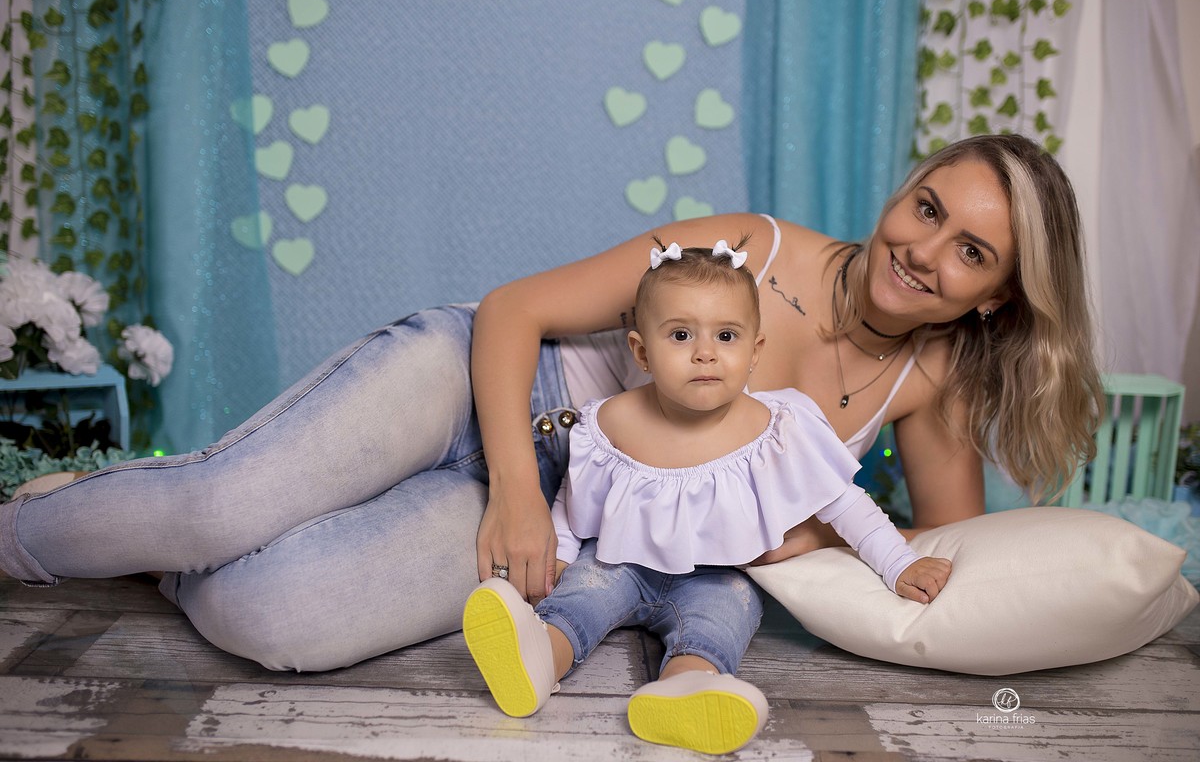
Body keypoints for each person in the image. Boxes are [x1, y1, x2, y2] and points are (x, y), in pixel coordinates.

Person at [0, 134, 1101, 673]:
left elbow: (942, 565)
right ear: (905, 186)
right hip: (486, 390)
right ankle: (42, 527)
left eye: (970, 252)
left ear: (999, 294)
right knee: (217, 507)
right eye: (927, 205)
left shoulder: (929, 386)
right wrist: (516, 491)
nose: (922, 250)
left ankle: (139, 534)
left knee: (272, 618)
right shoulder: (753, 247)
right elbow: (518, 308)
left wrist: (825, 531)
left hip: (570, 523)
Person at [462, 239, 952, 755]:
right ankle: (540, 654)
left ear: (755, 350)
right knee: (582, 594)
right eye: (679, 335)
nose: (705, 352)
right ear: (642, 352)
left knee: (725, 616)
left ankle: (685, 686)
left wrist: (900, 564)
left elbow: (847, 506)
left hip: (719, 577)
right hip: (618, 562)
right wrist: (555, 561)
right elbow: (572, 502)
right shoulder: (610, 421)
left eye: (726, 335)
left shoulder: (782, 426)